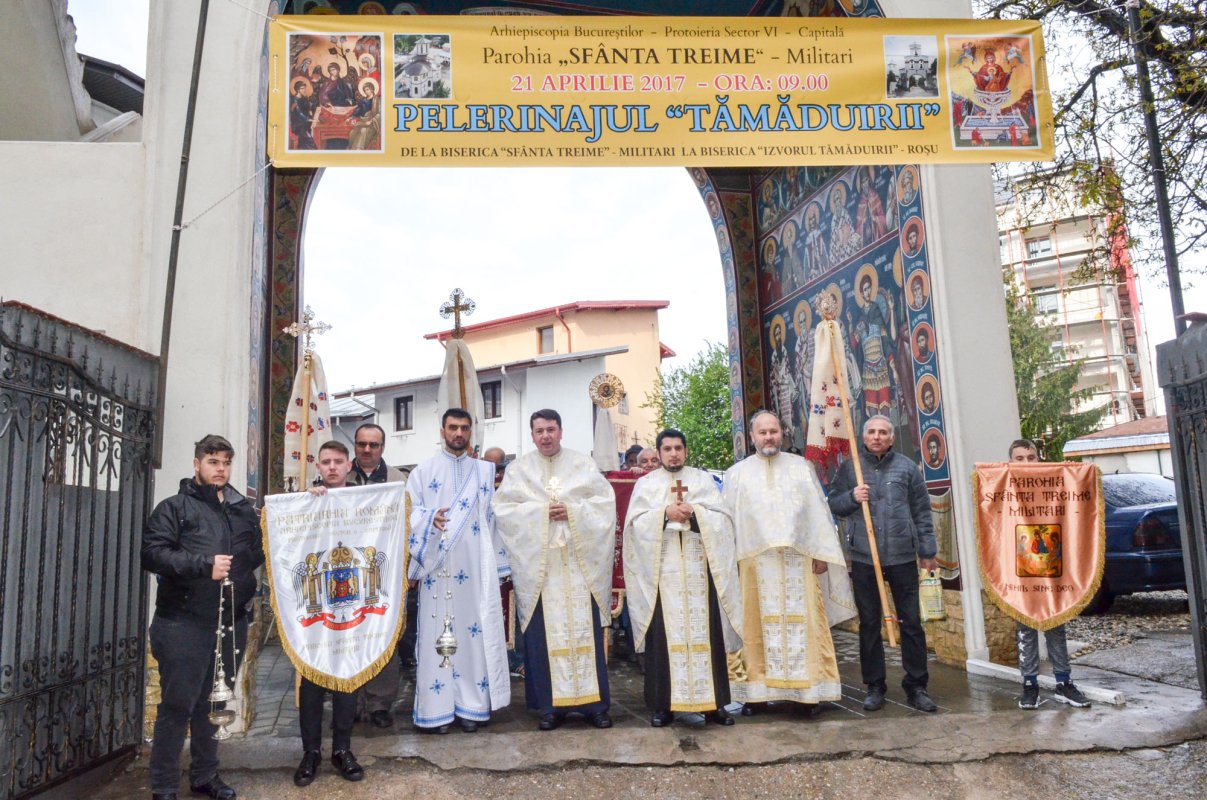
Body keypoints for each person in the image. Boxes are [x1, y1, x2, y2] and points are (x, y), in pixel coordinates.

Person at [142, 435, 263, 800]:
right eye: (213, 461)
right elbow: (152, 554)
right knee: (177, 706)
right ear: (197, 465)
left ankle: (205, 775)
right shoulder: (174, 508)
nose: (220, 468)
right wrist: (202, 565)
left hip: (230, 623)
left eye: (225, 462)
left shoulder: (242, 510)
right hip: (183, 622)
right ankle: (163, 786)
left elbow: (255, 554)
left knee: (215, 703)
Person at [724, 412, 855, 714]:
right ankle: (756, 694)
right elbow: (728, 522)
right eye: (762, 432)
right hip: (755, 564)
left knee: (804, 626)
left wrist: (822, 553)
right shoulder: (737, 474)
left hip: (799, 561)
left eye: (773, 431)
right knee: (756, 628)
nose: (768, 437)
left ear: (781, 433)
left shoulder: (801, 468)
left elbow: (817, 513)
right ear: (752, 435)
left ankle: (808, 694)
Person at [493, 409, 616, 730]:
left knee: (585, 633)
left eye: (551, 429)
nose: (545, 436)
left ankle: (594, 706)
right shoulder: (519, 471)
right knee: (541, 637)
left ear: (561, 431)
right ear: (532, 435)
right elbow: (504, 511)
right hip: (540, 570)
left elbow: (605, 504)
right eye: (539, 431)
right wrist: (541, 512)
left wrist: (573, 511)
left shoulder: (583, 465)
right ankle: (549, 707)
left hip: (578, 566)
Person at [624, 429, 742, 727]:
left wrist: (696, 513)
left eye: (678, 448)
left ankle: (715, 705)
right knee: (663, 638)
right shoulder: (646, 484)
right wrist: (663, 513)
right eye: (667, 449)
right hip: (663, 577)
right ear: (659, 452)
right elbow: (633, 526)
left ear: (686, 451)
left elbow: (724, 519)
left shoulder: (702, 481)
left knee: (708, 635)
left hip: (700, 573)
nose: (673, 454)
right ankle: (663, 706)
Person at [405, 409, 511, 733]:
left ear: (471, 431)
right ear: (442, 430)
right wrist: (428, 520)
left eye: (465, 428)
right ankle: (436, 710)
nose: (459, 433)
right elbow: (408, 513)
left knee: (472, 637)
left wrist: (500, 566)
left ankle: (472, 707)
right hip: (435, 567)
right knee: (435, 637)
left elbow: (496, 520)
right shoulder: (422, 472)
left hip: (474, 571)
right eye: (453, 427)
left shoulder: (484, 471)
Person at [828, 415, 939, 713]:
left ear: (891, 438)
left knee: (911, 623)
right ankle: (874, 685)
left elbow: (922, 512)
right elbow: (833, 502)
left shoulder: (906, 468)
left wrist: (928, 551)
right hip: (865, 557)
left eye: (883, 432)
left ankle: (917, 685)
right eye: (872, 432)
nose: (877, 436)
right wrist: (852, 496)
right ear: (864, 437)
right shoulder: (851, 468)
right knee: (870, 624)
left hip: (903, 555)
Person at [294, 441, 365, 787]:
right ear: (317, 465)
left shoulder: (365, 500)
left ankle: (342, 749)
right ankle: (310, 752)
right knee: (311, 679)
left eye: (339, 461)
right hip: (317, 604)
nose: (333, 467)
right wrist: (306, 501)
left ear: (349, 465)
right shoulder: (307, 500)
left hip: (351, 602)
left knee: (346, 677)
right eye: (326, 462)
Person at [1008, 439, 1092, 710]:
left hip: (1052, 564)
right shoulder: (1005, 485)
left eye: (1031, 458)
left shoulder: (1052, 481)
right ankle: (1029, 684)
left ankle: (1064, 683)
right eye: (1019, 459)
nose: (1026, 463)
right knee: (1026, 627)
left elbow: (1075, 496)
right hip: (1020, 567)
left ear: (1039, 459)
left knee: (1056, 623)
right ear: (1011, 461)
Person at [346, 423, 408, 728]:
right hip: (347, 570)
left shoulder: (399, 480)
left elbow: (410, 521)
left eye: (373, 445)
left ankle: (381, 703)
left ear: (382, 447)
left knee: (384, 636)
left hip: (385, 570)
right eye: (361, 444)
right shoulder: (341, 477)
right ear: (355, 446)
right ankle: (351, 701)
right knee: (349, 634)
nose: (367, 450)